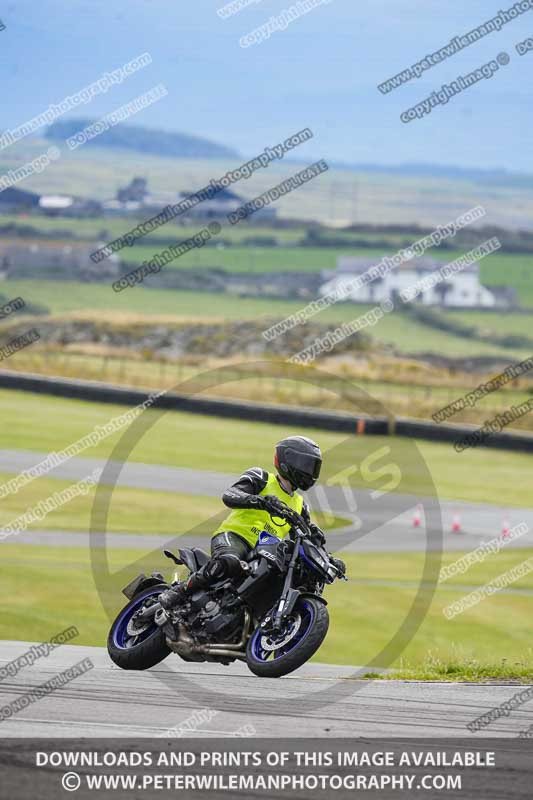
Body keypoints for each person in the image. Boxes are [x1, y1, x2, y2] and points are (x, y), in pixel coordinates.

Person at [159, 435, 345, 609]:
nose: (310, 472)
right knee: (229, 561)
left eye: (314, 467)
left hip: (267, 553)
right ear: (290, 461)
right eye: (307, 465)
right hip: (235, 537)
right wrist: (261, 501)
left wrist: (328, 559)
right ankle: (180, 591)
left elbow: (304, 540)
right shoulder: (261, 478)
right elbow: (230, 495)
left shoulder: (300, 505)